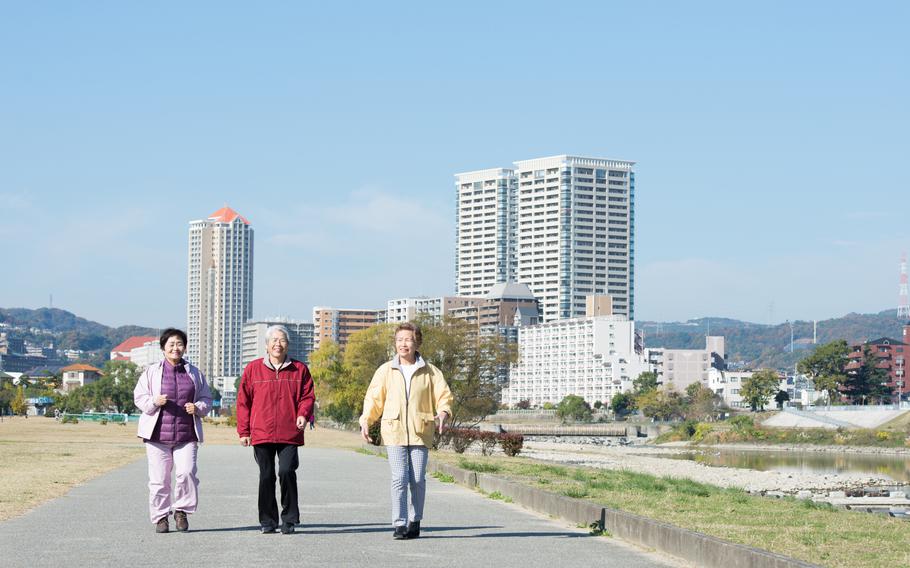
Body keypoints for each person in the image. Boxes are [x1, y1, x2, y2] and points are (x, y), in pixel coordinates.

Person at [359, 322, 453, 540]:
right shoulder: (386, 370)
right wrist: (366, 420)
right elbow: (374, 399)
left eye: (408, 339)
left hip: (421, 430)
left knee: (417, 479)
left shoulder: (430, 371)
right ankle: (399, 523)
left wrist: (443, 412)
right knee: (399, 477)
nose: (403, 344)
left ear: (417, 342)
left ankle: (415, 519)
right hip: (394, 430)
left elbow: (444, 396)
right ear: (395, 343)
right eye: (399, 340)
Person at [236, 325, 315, 534]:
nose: (277, 344)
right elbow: (243, 401)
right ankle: (268, 520)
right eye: (274, 340)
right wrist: (244, 431)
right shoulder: (253, 369)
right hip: (261, 431)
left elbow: (308, 396)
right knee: (266, 475)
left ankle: (289, 519)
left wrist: (303, 414)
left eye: (282, 340)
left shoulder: (300, 369)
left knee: (287, 471)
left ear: (287, 345)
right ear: (266, 345)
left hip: (290, 431)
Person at [133, 328, 212, 533]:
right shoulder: (151, 371)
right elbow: (139, 397)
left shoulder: (195, 373)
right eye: (171, 344)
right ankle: (160, 517)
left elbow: (206, 398)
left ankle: (181, 511)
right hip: (157, 436)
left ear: (184, 347)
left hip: (186, 434)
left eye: (179, 344)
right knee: (159, 480)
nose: (176, 348)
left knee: (186, 473)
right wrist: (154, 401)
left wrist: (198, 408)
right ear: (163, 348)